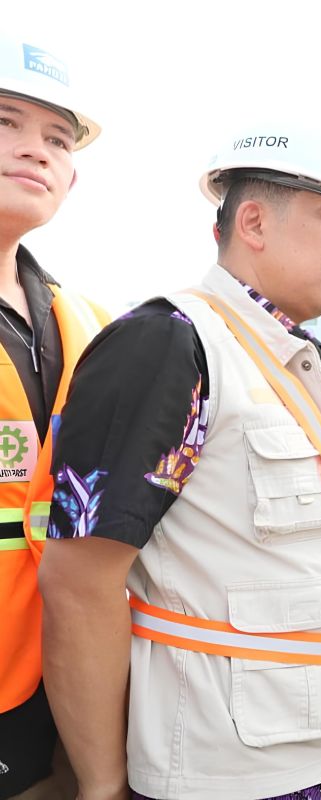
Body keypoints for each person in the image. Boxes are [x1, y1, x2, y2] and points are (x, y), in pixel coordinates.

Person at [38, 126, 321, 800]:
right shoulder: (169, 344)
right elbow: (79, 583)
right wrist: (100, 784)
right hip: (228, 773)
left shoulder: (310, 372)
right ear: (255, 222)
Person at [0, 34, 107, 800]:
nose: (35, 151)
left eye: (57, 138)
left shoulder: (89, 325)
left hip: (68, 677)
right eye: (5, 123)